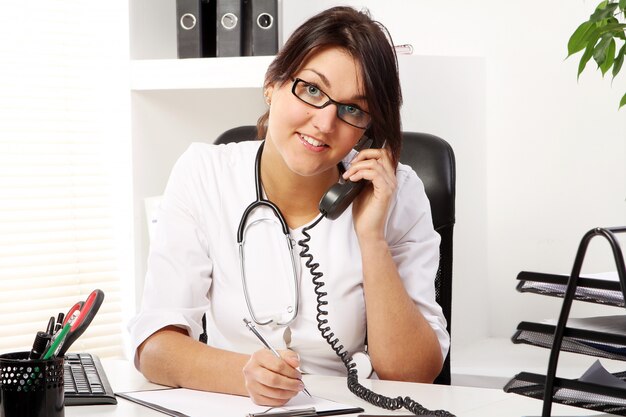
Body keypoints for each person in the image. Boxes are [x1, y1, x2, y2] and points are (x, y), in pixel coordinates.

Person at [129, 6, 449, 407]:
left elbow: (413, 374)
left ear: (369, 133)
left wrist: (371, 238)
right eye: (312, 90)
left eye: (353, 109)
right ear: (273, 83)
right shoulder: (203, 173)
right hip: (236, 405)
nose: (324, 122)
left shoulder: (397, 192)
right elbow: (154, 347)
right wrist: (244, 376)